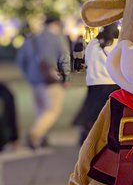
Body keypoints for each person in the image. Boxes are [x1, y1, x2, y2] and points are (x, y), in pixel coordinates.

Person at [16, 15, 71, 149]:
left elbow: (21, 61)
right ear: (56, 24)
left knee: (40, 111)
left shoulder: (31, 39)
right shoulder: (58, 38)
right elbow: (64, 58)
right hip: (51, 81)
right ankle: (34, 134)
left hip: (34, 82)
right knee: (52, 110)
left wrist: (29, 76)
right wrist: (66, 77)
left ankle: (40, 140)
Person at [73, 25, 119, 145]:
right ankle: (108, 138)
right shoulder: (117, 44)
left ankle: (87, 135)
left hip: (93, 82)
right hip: (112, 82)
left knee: (94, 112)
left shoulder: (93, 43)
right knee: (111, 113)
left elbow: (87, 60)